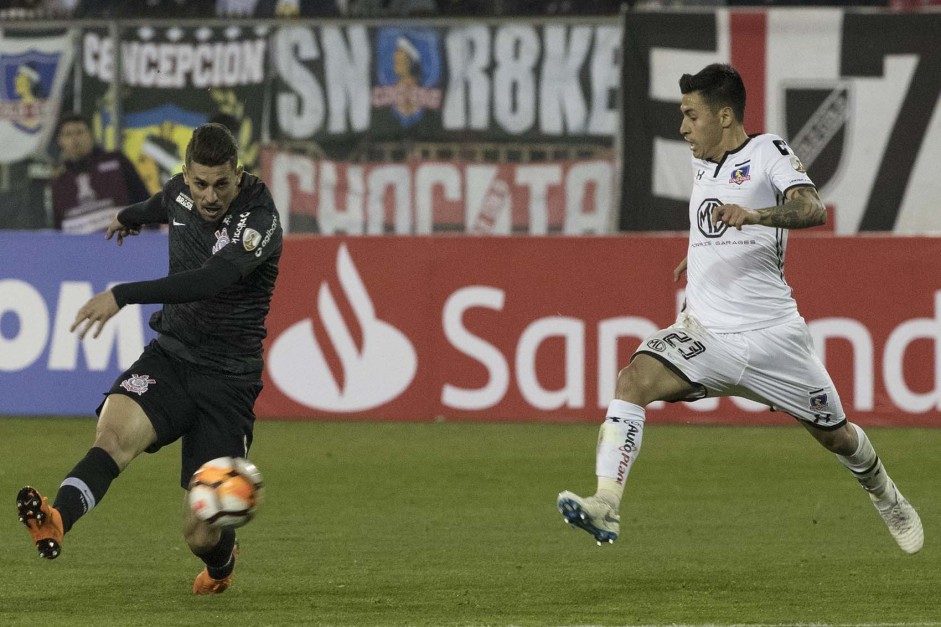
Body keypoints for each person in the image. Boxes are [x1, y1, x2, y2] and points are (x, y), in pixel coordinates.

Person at [556, 63, 923, 555]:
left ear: (724, 116)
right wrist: (701, 253)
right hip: (708, 336)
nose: (683, 128)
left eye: (691, 115)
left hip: (773, 338)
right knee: (633, 380)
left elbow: (812, 208)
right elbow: (715, 220)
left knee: (838, 438)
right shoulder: (701, 161)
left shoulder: (767, 151)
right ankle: (606, 502)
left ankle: (887, 496)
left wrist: (755, 215)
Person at [16, 123, 283, 594]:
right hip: (172, 358)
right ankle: (57, 518)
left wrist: (122, 294)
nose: (210, 196)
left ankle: (222, 565)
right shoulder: (182, 192)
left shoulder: (258, 221)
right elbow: (163, 203)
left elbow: (207, 280)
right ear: (186, 174)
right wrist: (129, 215)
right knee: (113, 436)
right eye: (200, 183)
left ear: (237, 174)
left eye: (221, 183)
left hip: (227, 381)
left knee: (200, 533)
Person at [50, 112, 150, 233]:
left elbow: (144, 200)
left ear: (91, 135)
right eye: (68, 134)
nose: (74, 139)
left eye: (80, 132)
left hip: (123, 242)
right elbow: (58, 229)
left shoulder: (116, 161)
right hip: (83, 250)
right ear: (60, 141)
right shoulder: (60, 182)